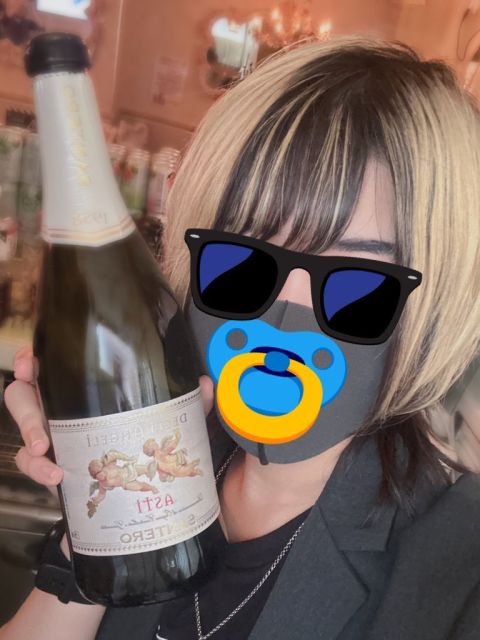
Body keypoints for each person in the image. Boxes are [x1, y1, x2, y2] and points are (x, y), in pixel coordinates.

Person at [2, 35, 480, 640]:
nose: (282, 323)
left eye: (358, 288)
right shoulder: (170, 456)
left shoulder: (458, 565)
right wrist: (101, 504)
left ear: (434, 308)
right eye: (242, 264)